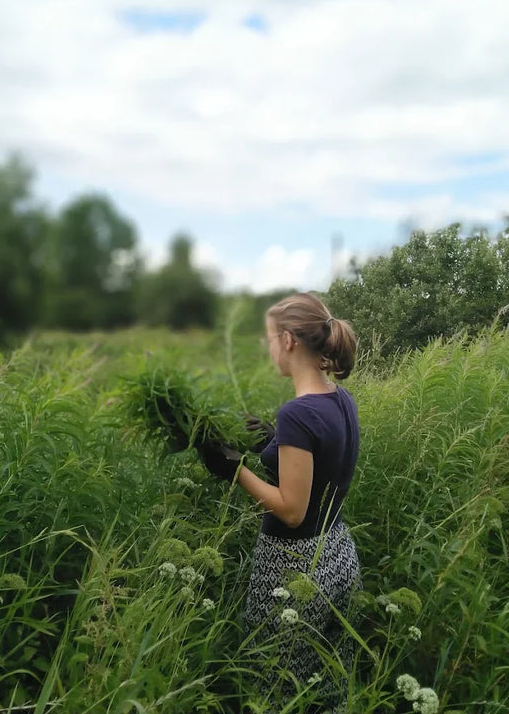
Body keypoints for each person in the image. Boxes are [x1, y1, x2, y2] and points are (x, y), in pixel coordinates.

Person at [197, 292, 361, 711]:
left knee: (277, 683)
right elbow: (322, 466)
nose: (268, 347)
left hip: (294, 566)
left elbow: (291, 510)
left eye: (269, 338)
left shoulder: (298, 413)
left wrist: (233, 471)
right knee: (327, 680)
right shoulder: (339, 398)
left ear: (288, 340)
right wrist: (273, 443)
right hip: (337, 554)